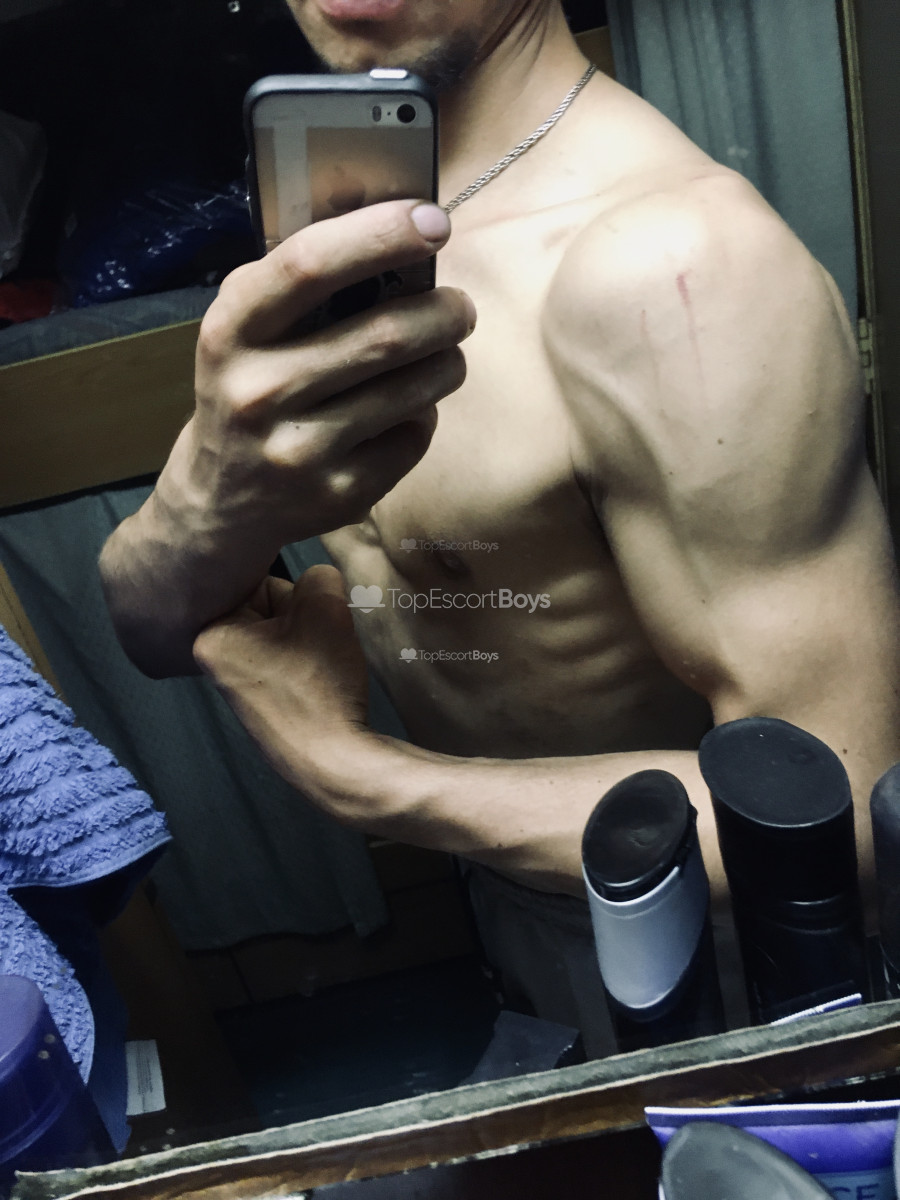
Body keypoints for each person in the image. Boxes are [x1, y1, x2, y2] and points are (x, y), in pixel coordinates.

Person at [99, 0, 900, 1052]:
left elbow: (836, 815)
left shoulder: (677, 268)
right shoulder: (337, 231)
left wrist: (368, 779)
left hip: (726, 963)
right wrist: (204, 502)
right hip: (513, 915)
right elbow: (152, 631)